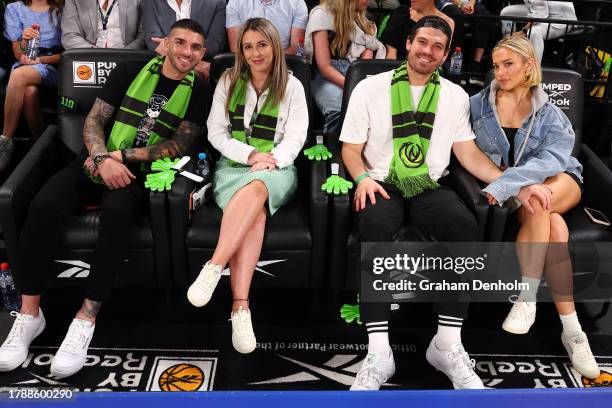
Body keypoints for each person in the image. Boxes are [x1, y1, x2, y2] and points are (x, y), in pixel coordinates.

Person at [0, 19, 212, 378]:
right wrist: (101, 157)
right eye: (180, 43)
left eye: (194, 47)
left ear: (202, 53)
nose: (186, 52)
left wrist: (120, 159)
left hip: (138, 173)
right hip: (97, 161)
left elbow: (179, 144)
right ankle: (31, 313)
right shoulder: (130, 70)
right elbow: (94, 120)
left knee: (116, 216)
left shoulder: (200, 90)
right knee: (43, 206)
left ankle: (85, 318)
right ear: (166, 43)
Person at [341, 15, 504, 391]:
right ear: (409, 43)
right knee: (376, 224)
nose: (428, 51)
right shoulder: (370, 87)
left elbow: (468, 155)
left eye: (437, 47)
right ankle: (379, 352)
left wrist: (512, 180)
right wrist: (361, 177)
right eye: (422, 42)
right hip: (381, 181)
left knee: (464, 225)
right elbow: (350, 149)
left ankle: (446, 344)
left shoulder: (455, 95)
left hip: (429, 185)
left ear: (445, 55)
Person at [470, 33, 600, 380]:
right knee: (553, 225)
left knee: (542, 197)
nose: (500, 72)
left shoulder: (551, 113)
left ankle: (526, 298)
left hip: (561, 182)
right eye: (496, 66)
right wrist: (520, 185)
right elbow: (470, 154)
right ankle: (573, 331)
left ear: (529, 65)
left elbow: (554, 160)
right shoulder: (476, 107)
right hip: (525, 195)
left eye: (508, 64)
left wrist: (512, 183)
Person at [186, 17, 308, 354]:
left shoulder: (293, 86)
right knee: (254, 212)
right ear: (241, 50)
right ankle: (240, 307)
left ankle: (214, 266)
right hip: (233, 167)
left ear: (274, 46)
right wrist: (251, 153)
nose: (255, 53)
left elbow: (296, 138)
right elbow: (216, 132)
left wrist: (269, 160)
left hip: (278, 169)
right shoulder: (228, 80)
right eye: (248, 46)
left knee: (257, 188)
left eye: (262, 45)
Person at [305, 0, 385, 134]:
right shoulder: (321, 16)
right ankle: (331, 148)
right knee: (339, 109)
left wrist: (359, 86)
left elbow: (364, 65)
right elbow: (324, 67)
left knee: (371, 107)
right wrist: (352, 86)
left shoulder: (366, 20)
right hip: (324, 75)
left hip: (355, 71)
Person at [0, 0, 62, 172]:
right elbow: (18, 54)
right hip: (27, 64)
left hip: (54, 65)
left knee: (19, 75)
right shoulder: (14, 9)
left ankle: (5, 140)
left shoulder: (63, 8)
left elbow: (70, 52)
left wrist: (41, 60)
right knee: (29, 92)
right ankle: (41, 146)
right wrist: (25, 42)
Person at [141, 0, 226, 79]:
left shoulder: (216, 2)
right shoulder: (150, 2)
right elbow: (155, 42)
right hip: (162, 70)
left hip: (203, 77)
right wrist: (194, 65)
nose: (186, 52)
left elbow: (215, 45)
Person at [437, 0, 497, 84]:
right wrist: (460, 4)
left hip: (470, 5)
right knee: (456, 13)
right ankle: (456, 69)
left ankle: (475, 67)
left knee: (485, 17)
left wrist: (471, 4)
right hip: (448, 4)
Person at [500, 0, 577, 63]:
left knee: (533, 32)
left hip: (561, 19)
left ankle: (534, 72)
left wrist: (523, 31)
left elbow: (540, 15)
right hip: (539, 10)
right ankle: (509, 44)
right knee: (505, 12)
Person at [226, 0, 308, 55]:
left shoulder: (298, 3)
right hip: (248, 62)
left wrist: (270, 63)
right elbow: (236, 50)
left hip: (285, 61)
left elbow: (297, 48)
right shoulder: (235, 3)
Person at [381, 0, 454, 61]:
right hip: (400, 71)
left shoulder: (447, 21)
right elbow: (390, 54)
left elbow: (442, 57)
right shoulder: (402, 14)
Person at [61, 0, 144, 50]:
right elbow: (69, 36)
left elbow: (143, 35)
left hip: (127, 58)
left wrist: (124, 55)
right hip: (89, 59)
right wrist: (96, 54)